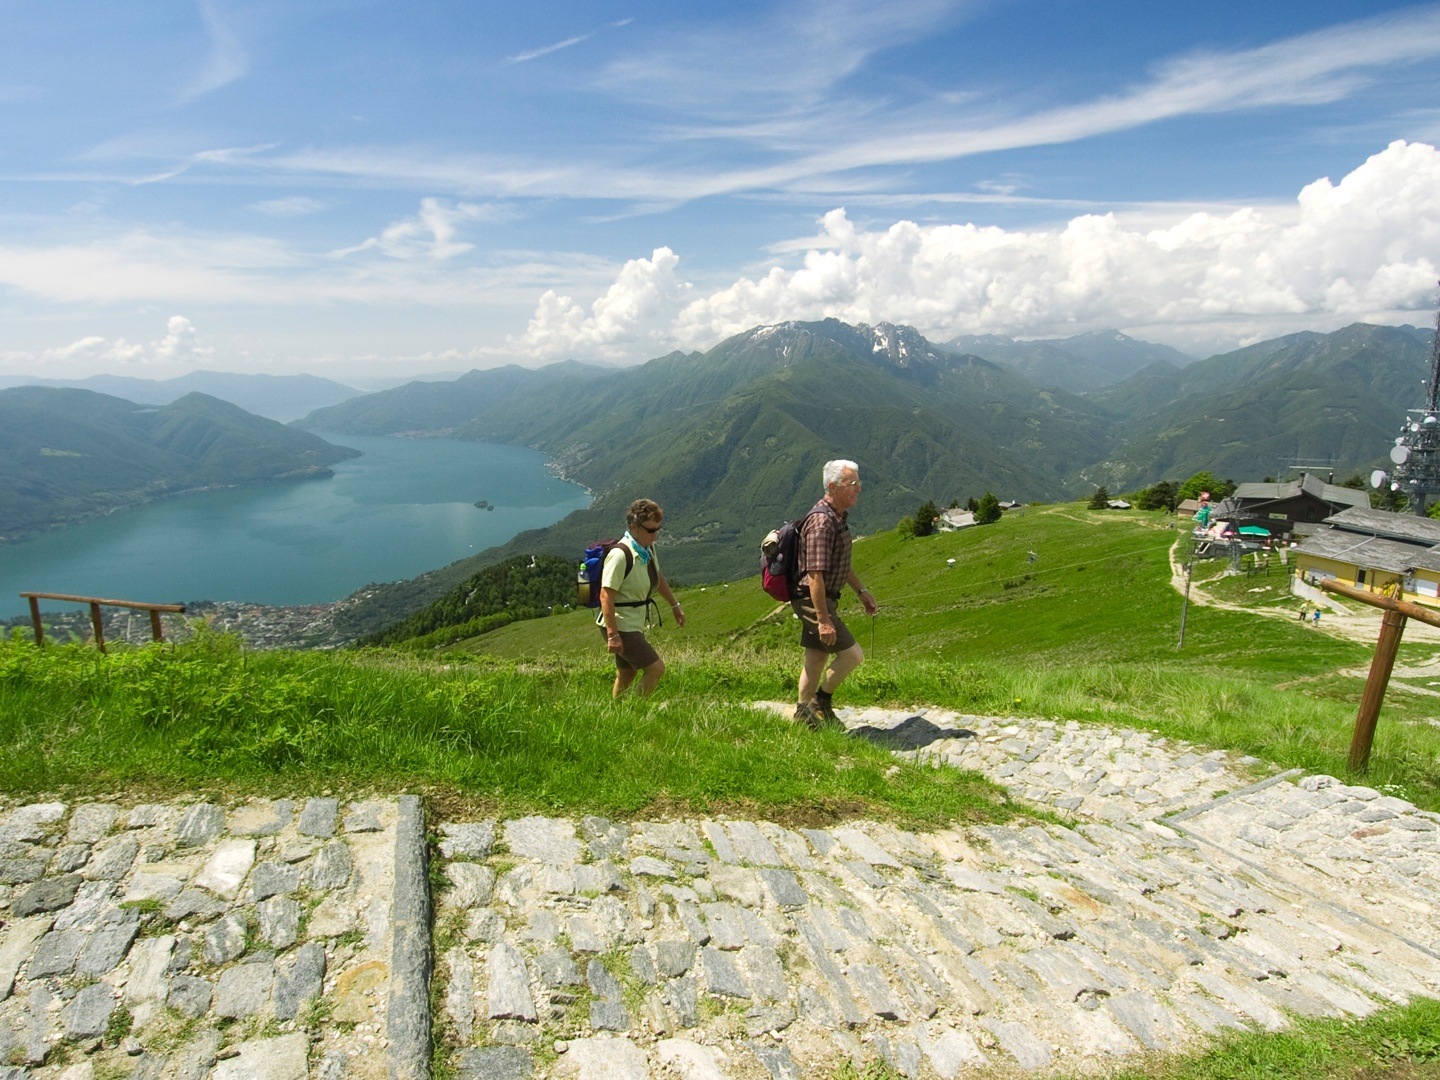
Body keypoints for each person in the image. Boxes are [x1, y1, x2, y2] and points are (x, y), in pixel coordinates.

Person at [792, 459, 879, 727]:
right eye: (851, 484)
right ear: (832, 486)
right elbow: (815, 574)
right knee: (853, 655)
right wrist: (823, 619)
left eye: (858, 483)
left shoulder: (837, 517)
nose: (858, 489)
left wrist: (861, 591)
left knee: (817, 656)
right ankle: (820, 701)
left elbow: (840, 562)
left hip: (822, 598)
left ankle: (803, 716)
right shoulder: (822, 523)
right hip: (814, 599)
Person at [597, 498, 685, 697]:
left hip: (631, 624)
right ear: (633, 527)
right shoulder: (620, 555)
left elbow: (658, 577)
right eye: (651, 530)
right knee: (656, 669)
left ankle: (617, 714)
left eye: (658, 529)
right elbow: (605, 596)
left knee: (627, 672)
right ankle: (636, 711)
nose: (656, 535)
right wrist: (613, 635)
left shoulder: (646, 549)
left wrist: (674, 606)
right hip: (621, 625)